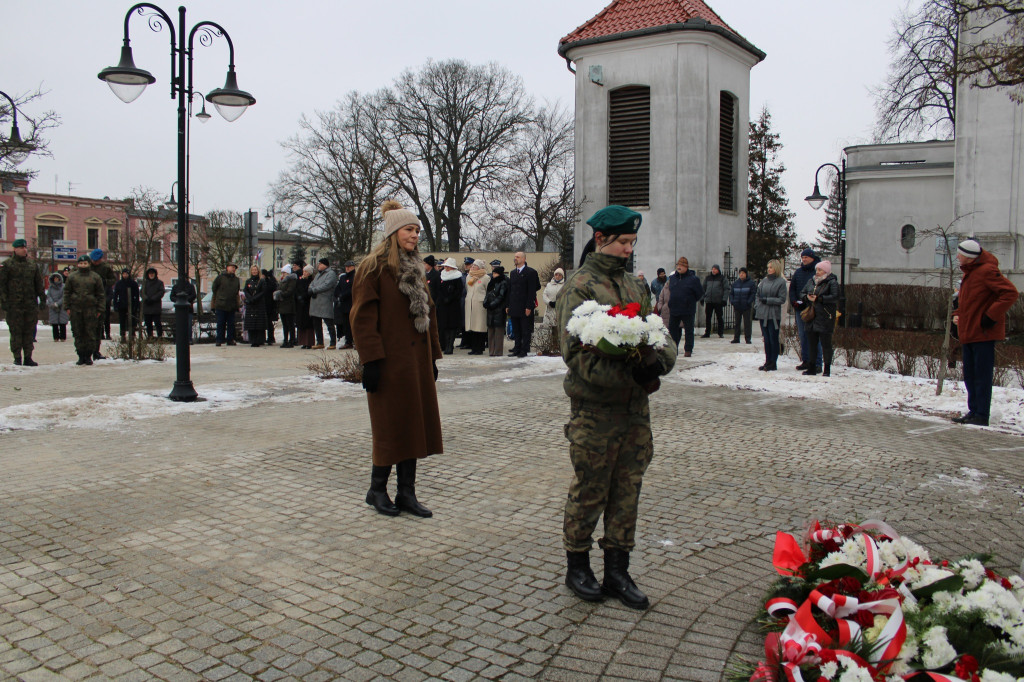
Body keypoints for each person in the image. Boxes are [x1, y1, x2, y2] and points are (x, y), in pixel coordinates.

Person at [555, 205, 676, 610]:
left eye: (633, 243)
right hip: (595, 412)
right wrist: (634, 376)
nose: (629, 250)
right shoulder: (581, 287)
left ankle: (618, 570)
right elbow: (578, 357)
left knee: (628, 490)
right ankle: (578, 565)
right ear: (603, 239)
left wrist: (660, 361)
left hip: (634, 413)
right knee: (591, 488)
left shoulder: (635, 286)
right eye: (624, 242)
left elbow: (659, 331)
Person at [351, 200, 442, 518]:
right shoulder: (373, 268)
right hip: (388, 363)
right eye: (409, 229)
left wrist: (432, 358)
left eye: (417, 230)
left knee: (413, 426)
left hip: (414, 363)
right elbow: (362, 318)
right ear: (393, 233)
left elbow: (428, 315)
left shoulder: (415, 268)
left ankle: (407, 493)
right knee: (390, 427)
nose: (415, 235)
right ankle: (376, 490)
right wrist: (371, 360)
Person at [951, 239, 1019, 426]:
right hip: (969, 331)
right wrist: (957, 314)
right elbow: (967, 301)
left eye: (960, 254)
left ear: (969, 257)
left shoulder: (987, 271)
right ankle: (974, 411)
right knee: (970, 375)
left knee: (981, 375)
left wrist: (990, 316)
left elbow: (1010, 293)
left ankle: (981, 414)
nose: (957, 256)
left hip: (983, 332)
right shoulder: (970, 274)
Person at [0, 239, 45, 365]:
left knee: (29, 331)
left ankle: (28, 357)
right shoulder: (7, 265)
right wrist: (4, 302)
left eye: (25, 247)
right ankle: (17, 358)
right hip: (14, 305)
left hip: (30, 304)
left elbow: (38, 283)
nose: (24, 249)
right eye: (20, 247)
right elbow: (2, 286)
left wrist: (42, 298)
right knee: (16, 332)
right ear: (14, 249)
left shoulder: (32, 264)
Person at [799, 261, 840, 377]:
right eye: (817, 270)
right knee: (812, 344)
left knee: (826, 344)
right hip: (812, 316)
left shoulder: (832, 282)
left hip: (825, 316)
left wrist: (820, 299)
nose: (817, 272)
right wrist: (807, 297)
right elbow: (802, 293)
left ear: (826, 271)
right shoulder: (811, 281)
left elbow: (835, 296)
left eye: (820, 270)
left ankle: (827, 369)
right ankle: (811, 367)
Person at [656, 257, 703, 357]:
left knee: (689, 330)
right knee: (673, 331)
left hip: (688, 309)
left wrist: (689, 301)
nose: (679, 267)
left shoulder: (693, 279)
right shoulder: (673, 278)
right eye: (678, 265)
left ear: (686, 267)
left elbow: (699, 293)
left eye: (681, 265)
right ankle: (673, 349)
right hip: (674, 309)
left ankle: (688, 350)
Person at [64, 255, 106, 366]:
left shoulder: (95, 277)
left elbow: (101, 294)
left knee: (90, 333)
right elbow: (67, 293)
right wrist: (67, 307)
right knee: (78, 332)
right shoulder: (72, 277)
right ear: (78, 264)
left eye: (85, 263)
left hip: (91, 309)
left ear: (89, 264)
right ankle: (80, 355)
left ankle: (88, 356)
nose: (83, 265)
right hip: (76, 309)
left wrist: (100, 309)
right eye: (81, 263)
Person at [790, 248, 822, 372]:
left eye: (806, 257)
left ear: (812, 258)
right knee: (803, 336)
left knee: (814, 336)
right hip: (800, 309)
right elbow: (792, 289)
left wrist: (808, 300)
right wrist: (794, 302)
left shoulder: (817, 272)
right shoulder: (798, 273)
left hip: (812, 308)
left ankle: (817, 362)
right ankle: (806, 360)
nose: (804, 259)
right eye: (803, 257)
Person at [755, 259, 787, 372]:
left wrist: (768, 300)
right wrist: (758, 306)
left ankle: (773, 362)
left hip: (773, 315)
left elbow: (782, 299)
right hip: (763, 314)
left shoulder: (781, 282)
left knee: (773, 339)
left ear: (776, 268)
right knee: (767, 339)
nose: (769, 269)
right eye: (768, 267)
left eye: (771, 267)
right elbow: (758, 295)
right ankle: (767, 361)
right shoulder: (764, 281)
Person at [507, 251, 541, 358]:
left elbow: (532, 291)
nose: (515, 258)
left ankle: (524, 349)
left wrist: (529, 306)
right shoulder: (512, 273)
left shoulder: (530, 272)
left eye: (518, 257)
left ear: (524, 259)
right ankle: (517, 348)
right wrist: (508, 305)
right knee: (516, 329)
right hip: (514, 305)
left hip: (525, 306)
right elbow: (510, 290)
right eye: (515, 257)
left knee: (525, 329)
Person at [89, 249, 116, 350]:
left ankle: (98, 345)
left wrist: (105, 282)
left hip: (101, 297)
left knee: (102, 320)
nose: (95, 262)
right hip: (89, 297)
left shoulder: (106, 268)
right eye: (93, 260)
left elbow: (113, 280)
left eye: (97, 260)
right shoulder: (88, 266)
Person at [308, 258, 338, 350]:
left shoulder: (331, 274)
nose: (318, 265)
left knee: (329, 323)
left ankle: (333, 342)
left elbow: (327, 285)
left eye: (320, 264)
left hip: (325, 301)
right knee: (316, 323)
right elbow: (312, 283)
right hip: (316, 301)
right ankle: (320, 342)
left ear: (325, 264)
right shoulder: (318, 274)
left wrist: (314, 290)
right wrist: (311, 289)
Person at [436, 258, 464, 354]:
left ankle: (450, 345)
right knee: (445, 325)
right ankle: (445, 344)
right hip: (443, 304)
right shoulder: (442, 275)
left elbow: (459, 291)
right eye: (445, 266)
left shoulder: (457, 276)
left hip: (453, 305)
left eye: (448, 266)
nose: (446, 268)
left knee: (452, 326)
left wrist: (450, 297)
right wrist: (442, 298)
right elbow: (438, 289)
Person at [462, 259, 489, 355]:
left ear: (480, 267)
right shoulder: (469, 276)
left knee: (480, 326)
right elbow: (467, 289)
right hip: (470, 303)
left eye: (475, 265)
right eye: (472, 265)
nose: (472, 267)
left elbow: (488, 290)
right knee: (472, 326)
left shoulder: (485, 277)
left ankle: (480, 348)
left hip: (480, 304)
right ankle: (474, 348)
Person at [484, 260, 509, 357]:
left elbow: (501, 296)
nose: (493, 275)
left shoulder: (503, 282)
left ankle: (498, 351)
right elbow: (488, 294)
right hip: (490, 310)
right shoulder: (491, 282)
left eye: (495, 273)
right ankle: (491, 350)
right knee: (490, 332)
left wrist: (493, 304)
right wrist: (486, 303)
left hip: (499, 309)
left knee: (498, 332)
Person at [212, 262, 241, 347]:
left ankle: (230, 339)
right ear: (227, 268)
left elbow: (237, 291)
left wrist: (237, 304)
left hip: (231, 305)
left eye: (234, 268)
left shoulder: (236, 280)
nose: (233, 269)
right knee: (221, 323)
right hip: (221, 304)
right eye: (232, 267)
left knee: (231, 324)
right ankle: (219, 339)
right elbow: (214, 288)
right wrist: (219, 297)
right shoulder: (220, 278)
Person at [243, 265, 269, 347]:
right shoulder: (248, 281)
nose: (254, 271)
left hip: (259, 304)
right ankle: (252, 339)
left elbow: (263, 291)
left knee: (259, 323)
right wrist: (249, 298)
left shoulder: (261, 281)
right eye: (253, 270)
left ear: (258, 271)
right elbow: (245, 290)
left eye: (255, 270)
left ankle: (259, 340)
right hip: (251, 304)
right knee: (251, 323)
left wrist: (255, 298)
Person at [729, 267, 756, 344]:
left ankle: (747, 338)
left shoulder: (751, 283)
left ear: (746, 274)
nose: (741, 274)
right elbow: (731, 293)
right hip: (737, 305)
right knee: (737, 323)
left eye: (743, 273)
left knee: (747, 323)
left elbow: (753, 293)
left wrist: (749, 302)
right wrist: (732, 301)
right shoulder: (735, 283)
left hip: (746, 306)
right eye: (740, 273)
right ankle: (736, 338)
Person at [112, 269, 141, 340]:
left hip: (132, 304)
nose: (125, 275)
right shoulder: (119, 283)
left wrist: (136, 305)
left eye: (126, 274)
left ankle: (132, 335)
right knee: (122, 321)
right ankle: (122, 335)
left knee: (132, 321)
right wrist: (115, 305)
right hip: (122, 305)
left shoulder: (133, 283)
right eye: (124, 274)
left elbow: (137, 296)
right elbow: (115, 295)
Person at [701, 264, 728, 338]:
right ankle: (707, 332)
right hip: (709, 300)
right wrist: (702, 298)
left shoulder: (722, 278)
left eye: (715, 269)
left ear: (718, 270)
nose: (714, 270)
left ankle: (720, 332)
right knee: (708, 317)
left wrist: (724, 299)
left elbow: (726, 289)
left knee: (719, 317)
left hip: (718, 301)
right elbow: (703, 288)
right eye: (713, 269)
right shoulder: (708, 278)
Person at [334, 260, 356, 349]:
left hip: (352, 303)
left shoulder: (355, 276)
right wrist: (339, 295)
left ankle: (355, 341)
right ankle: (348, 341)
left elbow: (352, 289)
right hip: (343, 304)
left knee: (353, 324)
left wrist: (343, 295)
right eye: (346, 266)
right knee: (346, 324)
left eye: (349, 266)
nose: (347, 268)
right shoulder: (343, 277)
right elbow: (338, 288)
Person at [170, 277, 197, 345]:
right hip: (179, 309)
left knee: (189, 324)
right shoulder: (176, 287)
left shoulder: (190, 286)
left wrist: (186, 299)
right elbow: (172, 296)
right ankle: (179, 338)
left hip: (189, 309)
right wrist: (178, 300)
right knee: (179, 325)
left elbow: (193, 295)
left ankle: (189, 339)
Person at [276, 265, 297, 348]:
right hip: (282, 305)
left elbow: (290, 291)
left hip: (289, 305)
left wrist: (280, 293)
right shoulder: (283, 280)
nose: (283, 274)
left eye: (284, 272)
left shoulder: (292, 280)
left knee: (290, 324)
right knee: (284, 324)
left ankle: (291, 340)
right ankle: (285, 340)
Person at [141, 268, 165, 339]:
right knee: (148, 323)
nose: (151, 275)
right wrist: (146, 298)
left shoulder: (159, 283)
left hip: (155, 307)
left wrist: (153, 299)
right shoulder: (145, 283)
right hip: (147, 306)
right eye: (150, 274)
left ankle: (160, 336)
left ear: (155, 274)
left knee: (157, 323)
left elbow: (161, 292)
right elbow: (142, 292)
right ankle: (150, 336)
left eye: (152, 274)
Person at [295, 265, 316, 349]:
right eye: (304, 271)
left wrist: (304, 297)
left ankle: (309, 342)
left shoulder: (311, 281)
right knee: (301, 323)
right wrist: (298, 297)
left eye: (306, 271)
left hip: (308, 304)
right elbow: (296, 289)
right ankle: (302, 342)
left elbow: (309, 291)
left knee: (308, 324)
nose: (304, 273)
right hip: (300, 304)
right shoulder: (300, 280)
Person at [457, 256, 474, 349]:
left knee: (469, 322)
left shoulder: (473, 275)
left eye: (468, 264)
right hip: (462, 300)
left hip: (469, 299)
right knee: (463, 321)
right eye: (466, 264)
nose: (466, 266)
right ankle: (464, 340)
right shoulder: (462, 275)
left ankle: (469, 341)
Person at [46, 273, 69, 342]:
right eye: (54, 278)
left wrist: (58, 303)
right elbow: (48, 296)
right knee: (54, 323)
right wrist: (52, 303)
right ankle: (56, 337)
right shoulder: (50, 288)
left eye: (57, 278)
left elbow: (64, 296)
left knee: (62, 322)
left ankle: (63, 337)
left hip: (61, 306)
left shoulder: (64, 287)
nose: (56, 279)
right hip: (53, 307)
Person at [262, 269, 278, 345]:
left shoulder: (268, 283)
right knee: (268, 322)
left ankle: (270, 337)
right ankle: (268, 337)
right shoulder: (270, 282)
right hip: (267, 304)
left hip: (268, 305)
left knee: (268, 322)